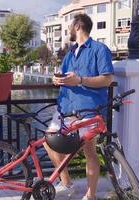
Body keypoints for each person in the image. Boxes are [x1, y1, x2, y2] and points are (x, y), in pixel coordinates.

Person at [43, 14, 114, 200]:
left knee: (88, 150)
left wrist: (80, 80)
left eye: (69, 26)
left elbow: (107, 79)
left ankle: (90, 195)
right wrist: (57, 80)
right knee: (47, 141)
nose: (67, 30)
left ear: (77, 26)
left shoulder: (100, 49)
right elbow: (65, 77)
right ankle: (66, 183)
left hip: (89, 110)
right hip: (65, 108)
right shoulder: (69, 54)